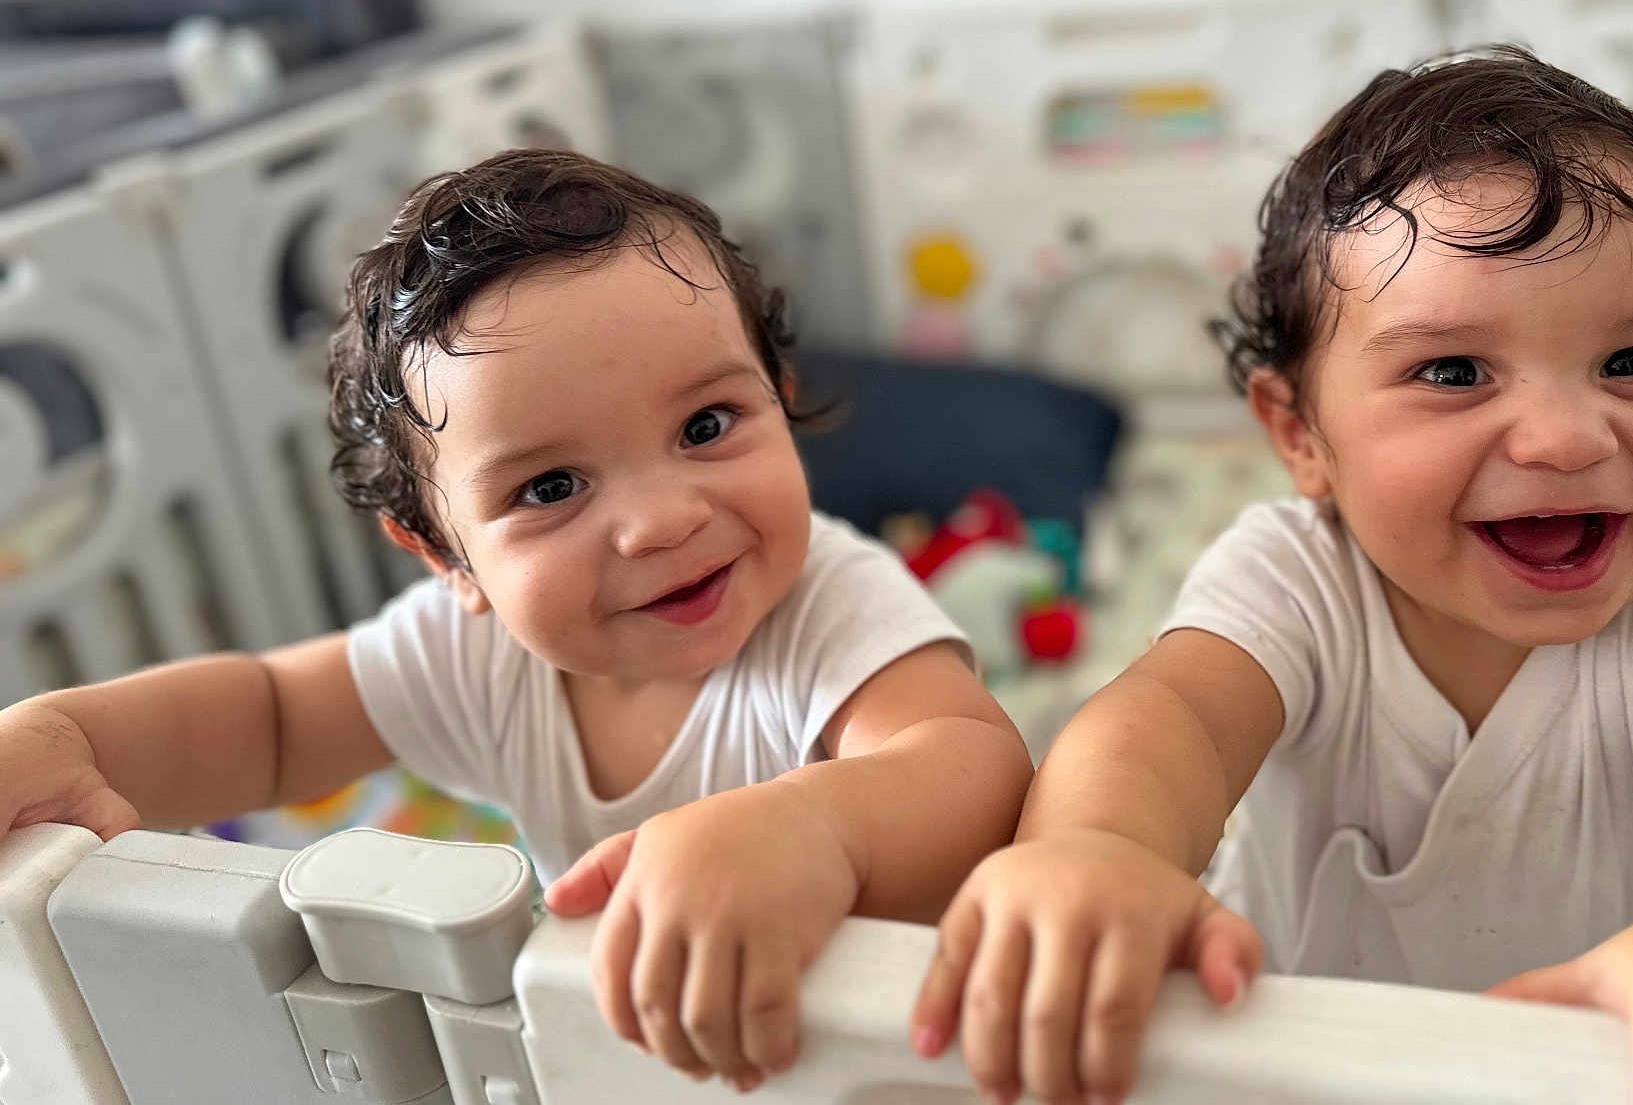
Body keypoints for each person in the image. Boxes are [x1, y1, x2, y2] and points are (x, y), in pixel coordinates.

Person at [910, 48, 1633, 1105]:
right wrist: (1101, 848)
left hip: (1616, 1073)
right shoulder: (1295, 577)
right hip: (1294, 1069)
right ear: (1301, 436)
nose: (1568, 438)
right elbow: (1171, 725)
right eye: (1452, 373)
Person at [0, 148, 1032, 1093]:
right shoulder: (477, 658)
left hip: (895, 1056)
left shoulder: (829, 604)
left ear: (780, 395)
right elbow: (269, 719)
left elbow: (972, 766)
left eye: (706, 427)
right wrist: (69, 740)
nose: (663, 520)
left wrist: (812, 825)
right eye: (551, 488)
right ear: (447, 557)